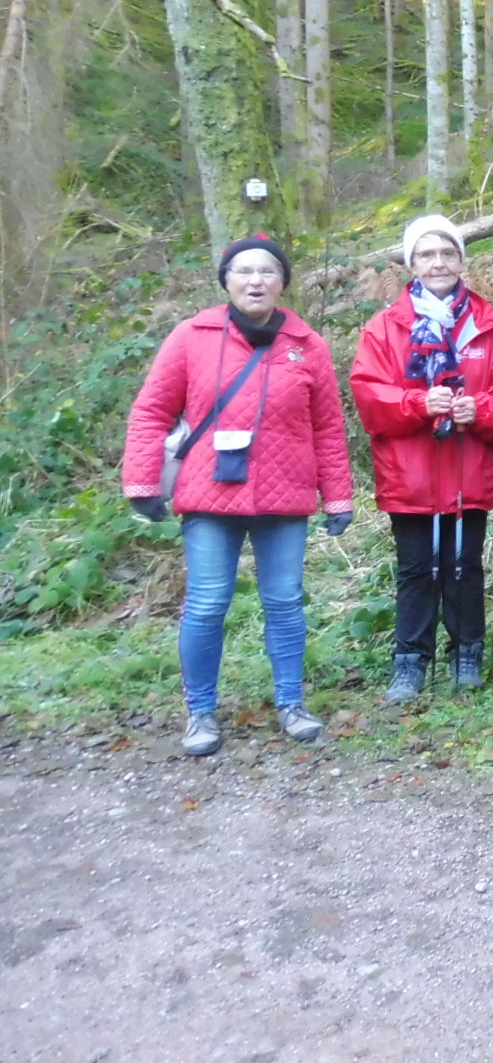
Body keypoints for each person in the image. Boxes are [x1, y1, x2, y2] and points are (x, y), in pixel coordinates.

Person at [121, 236, 355, 757]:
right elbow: (152, 411)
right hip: (208, 493)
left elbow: (328, 427)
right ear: (225, 280)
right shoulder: (191, 336)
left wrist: (338, 496)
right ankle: (200, 713)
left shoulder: (307, 344)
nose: (256, 281)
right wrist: (141, 482)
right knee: (206, 604)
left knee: (285, 603)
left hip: (285, 494)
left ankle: (292, 704)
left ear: (282, 283)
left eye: (267, 272)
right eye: (244, 271)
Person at [351, 216, 493, 702]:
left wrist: (482, 409)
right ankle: (411, 659)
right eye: (426, 255)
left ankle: (466, 652)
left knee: (464, 565)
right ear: (411, 264)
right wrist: (416, 404)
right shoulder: (387, 327)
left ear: (461, 260)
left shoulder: (488, 325)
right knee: (415, 567)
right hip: (410, 469)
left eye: (447, 253)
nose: (438, 263)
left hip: (469, 468)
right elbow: (368, 395)